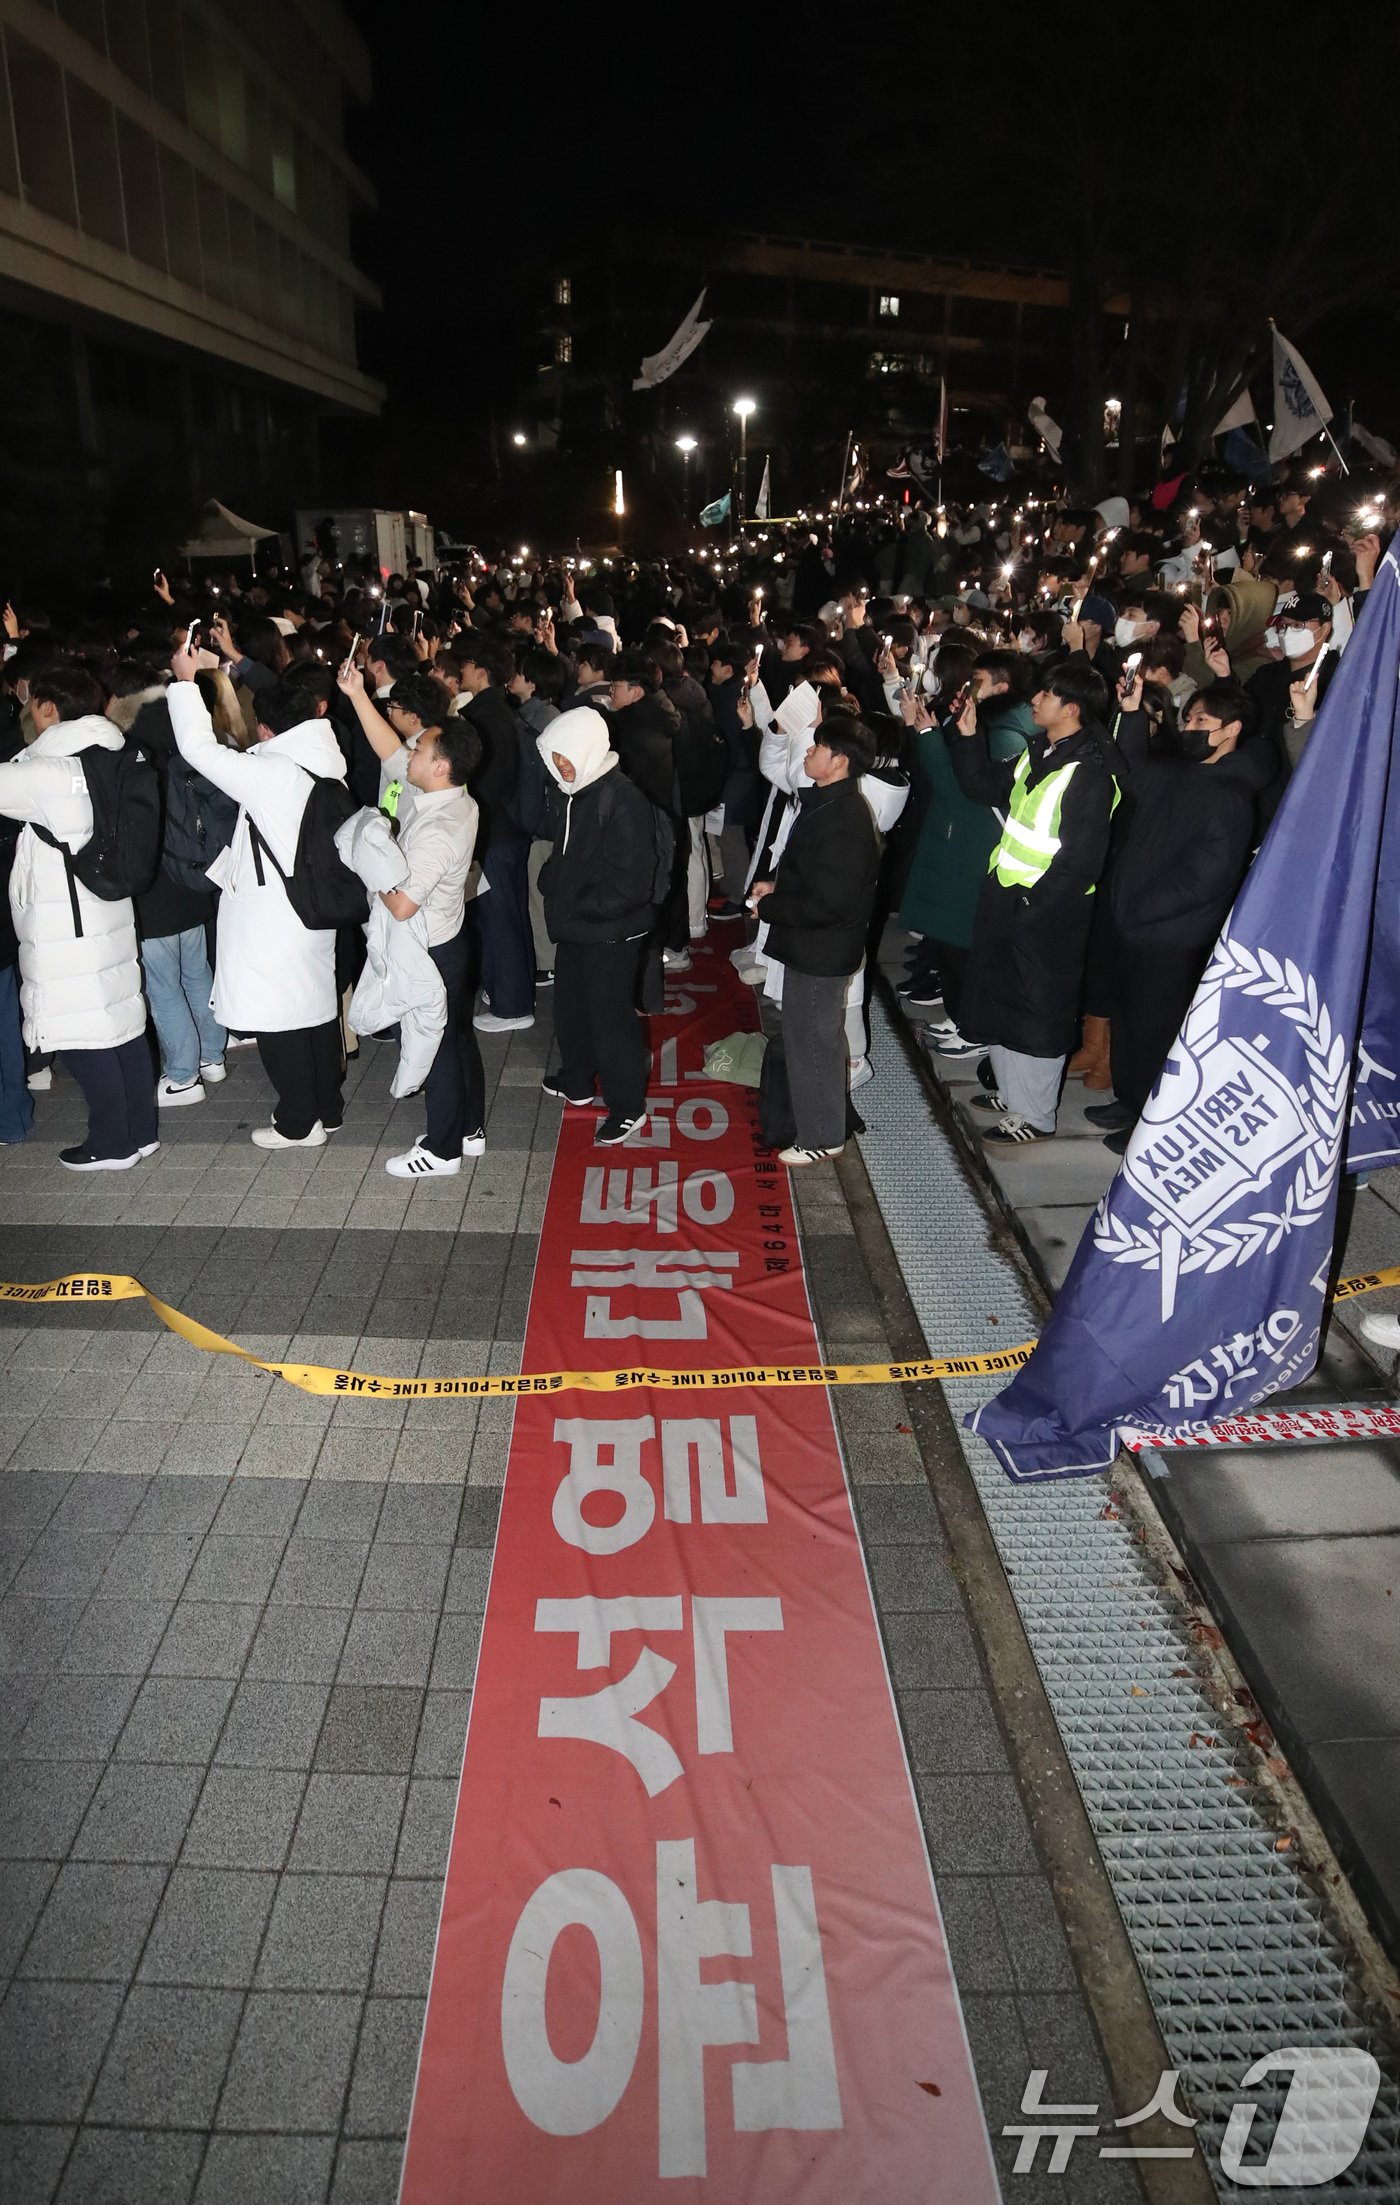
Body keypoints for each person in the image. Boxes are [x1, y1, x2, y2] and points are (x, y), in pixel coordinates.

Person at [167, 651, 348, 1148]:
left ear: (267, 729)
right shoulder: (322, 763)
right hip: (308, 910)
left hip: (273, 918)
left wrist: (186, 685)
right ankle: (326, 1109)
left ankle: (298, 1123)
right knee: (312, 1012)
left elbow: (200, 752)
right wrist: (220, 676)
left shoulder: (275, 774)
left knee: (277, 1021)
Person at [1088, 677, 1273, 1151]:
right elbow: (1130, 770)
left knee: (1157, 1032)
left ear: (1230, 730)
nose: (1189, 728)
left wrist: (1140, 908)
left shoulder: (1230, 793)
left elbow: (1204, 877)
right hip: (1135, 926)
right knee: (1129, 1021)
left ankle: (1155, 1121)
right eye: (1188, 718)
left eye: (1201, 721)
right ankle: (1130, 1099)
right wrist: (1130, 713)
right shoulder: (1178, 774)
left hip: (1169, 937)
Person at [951, 661, 1119, 1144]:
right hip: (1009, 894)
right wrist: (967, 738)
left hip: (1049, 910)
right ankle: (1013, 1094)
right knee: (1002, 998)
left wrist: (1033, 906)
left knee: (1038, 1010)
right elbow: (982, 788)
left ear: (1071, 709)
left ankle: (1037, 1116)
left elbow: (1081, 861)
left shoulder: (1089, 772)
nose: (1034, 701)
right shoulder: (1039, 752)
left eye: (1045, 695)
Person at [0, 660, 156, 1169]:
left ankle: (112, 1144)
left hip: (64, 921)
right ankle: (141, 1132)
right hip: (106, 910)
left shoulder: (47, 771)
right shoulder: (109, 752)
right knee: (122, 1022)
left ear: (49, 707)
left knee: (78, 1032)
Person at [337, 661, 487, 1177]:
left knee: (436, 1046)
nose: (413, 751)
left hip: (430, 948)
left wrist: (368, 856)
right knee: (455, 1036)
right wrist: (358, 694)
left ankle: (442, 1150)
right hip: (449, 938)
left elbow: (401, 904)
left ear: (441, 766)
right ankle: (468, 1129)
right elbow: (390, 752)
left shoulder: (436, 830)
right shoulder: (447, 795)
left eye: (422, 749)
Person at [748, 716, 883, 1165]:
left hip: (821, 950)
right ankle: (819, 1125)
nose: (807, 753)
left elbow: (830, 904)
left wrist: (769, 908)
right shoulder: (827, 803)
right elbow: (811, 876)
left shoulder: (845, 820)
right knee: (811, 1037)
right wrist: (776, 887)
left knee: (814, 1043)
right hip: (813, 945)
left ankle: (822, 1134)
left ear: (839, 761)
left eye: (816, 748)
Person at [536, 707, 667, 1146]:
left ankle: (628, 1106)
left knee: (610, 1018)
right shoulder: (577, 791)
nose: (561, 765)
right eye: (555, 756)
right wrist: (553, 885)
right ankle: (577, 1079)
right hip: (579, 925)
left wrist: (573, 904)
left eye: (568, 755)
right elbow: (567, 857)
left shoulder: (622, 799)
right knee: (572, 1007)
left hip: (611, 929)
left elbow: (631, 886)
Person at [111, 660, 229, 1110]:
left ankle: (183, 1075)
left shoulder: (126, 745)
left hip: (153, 886)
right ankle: (213, 1056)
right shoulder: (187, 730)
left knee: (163, 983)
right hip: (193, 874)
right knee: (197, 972)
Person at [900, 651, 1034, 1046]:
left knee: (964, 946)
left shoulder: (1007, 733)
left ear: (1002, 687)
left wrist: (926, 734)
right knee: (953, 946)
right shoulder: (992, 723)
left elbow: (963, 789)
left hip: (976, 848)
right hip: (959, 842)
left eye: (979, 680)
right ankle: (962, 1019)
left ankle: (971, 1026)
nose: (968, 687)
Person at [456, 636, 536, 1033]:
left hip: (496, 831)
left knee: (500, 918)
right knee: (508, 914)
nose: (461, 671)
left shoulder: (486, 720)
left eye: (467, 664)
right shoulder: (500, 712)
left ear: (481, 673)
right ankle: (507, 990)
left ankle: (512, 1005)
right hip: (509, 829)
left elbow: (487, 784)